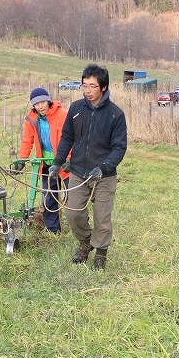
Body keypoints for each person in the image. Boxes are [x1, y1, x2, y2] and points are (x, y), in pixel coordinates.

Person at [49, 64, 127, 269]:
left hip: (104, 175)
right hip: (78, 171)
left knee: (102, 216)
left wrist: (103, 167)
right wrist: (58, 162)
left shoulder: (115, 115)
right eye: (84, 85)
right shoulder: (75, 109)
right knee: (73, 213)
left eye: (92, 86)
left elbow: (119, 147)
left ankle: (101, 252)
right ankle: (85, 242)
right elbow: (67, 137)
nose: (87, 91)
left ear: (103, 87)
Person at [14, 87, 69, 233]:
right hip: (46, 164)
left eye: (43, 102)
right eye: (37, 104)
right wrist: (22, 160)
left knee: (74, 197)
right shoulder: (31, 119)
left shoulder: (62, 115)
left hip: (65, 163)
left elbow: (72, 138)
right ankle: (53, 230)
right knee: (49, 197)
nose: (40, 106)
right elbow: (27, 141)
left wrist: (69, 158)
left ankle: (79, 227)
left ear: (48, 101)